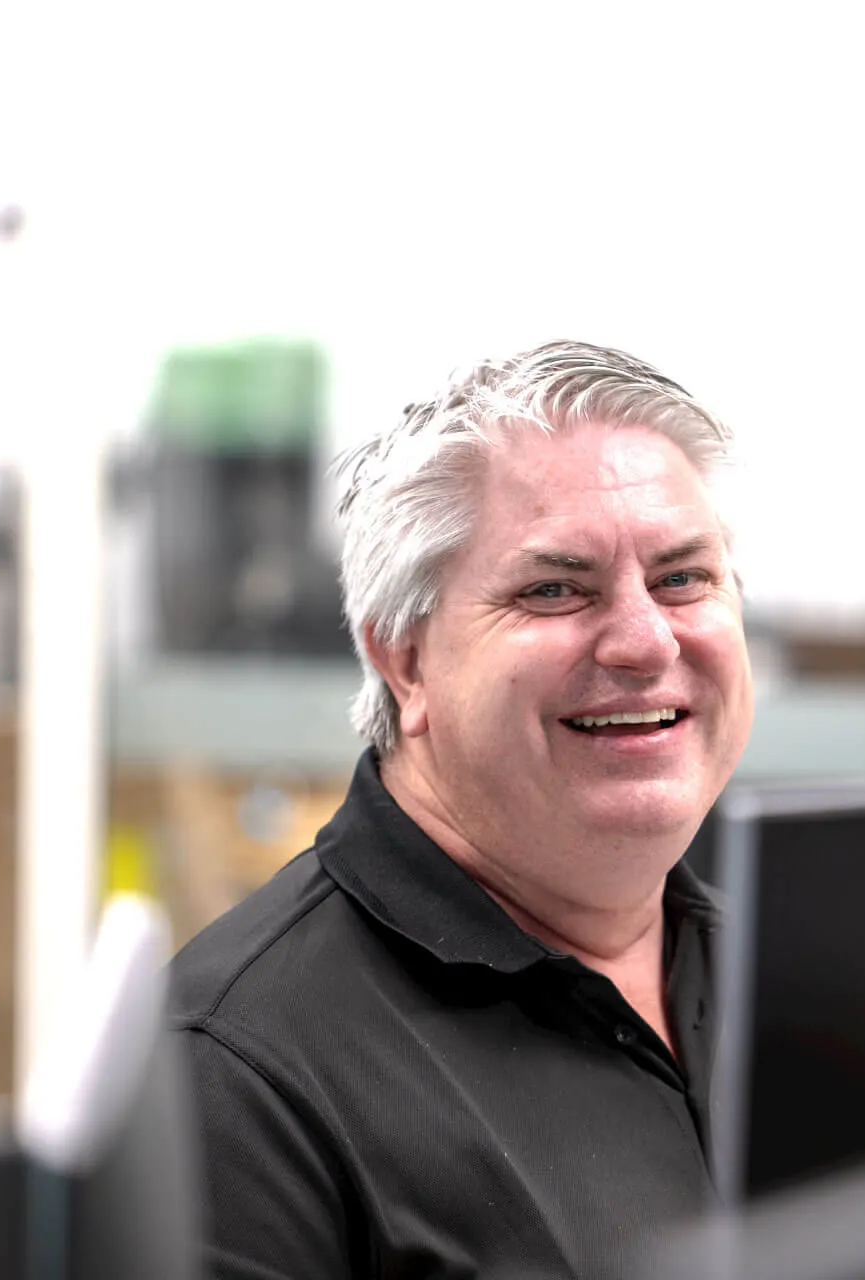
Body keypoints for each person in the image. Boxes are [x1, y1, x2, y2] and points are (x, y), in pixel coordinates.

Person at [170, 340, 755, 1278]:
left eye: (683, 577)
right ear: (405, 663)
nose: (646, 640)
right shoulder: (235, 1075)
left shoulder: (787, 974)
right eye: (555, 588)